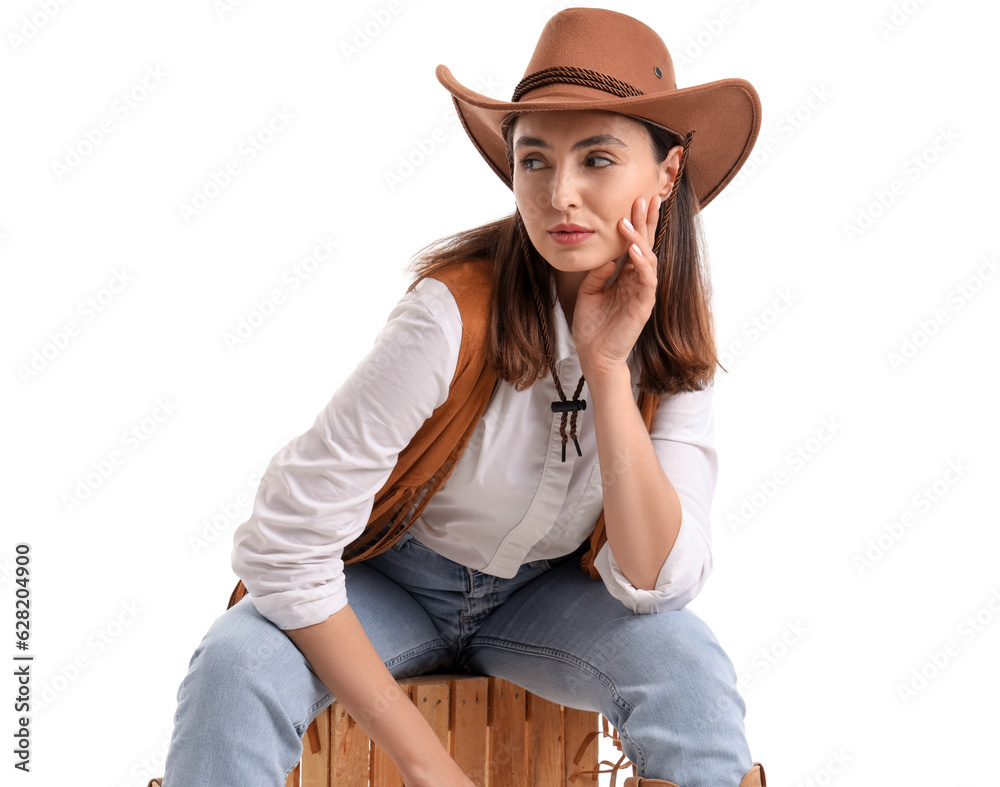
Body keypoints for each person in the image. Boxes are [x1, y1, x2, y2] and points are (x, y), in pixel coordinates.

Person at [158, 7, 765, 787]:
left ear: (668, 172)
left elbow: (656, 580)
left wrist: (608, 369)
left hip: (546, 601)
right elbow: (283, 541)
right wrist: (427, 763)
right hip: (391, 582)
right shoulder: (450, 315)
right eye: (535, 161)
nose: (560, 194)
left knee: (688, 663)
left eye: (598, 158)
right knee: (237, 659)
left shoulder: (670, 334)